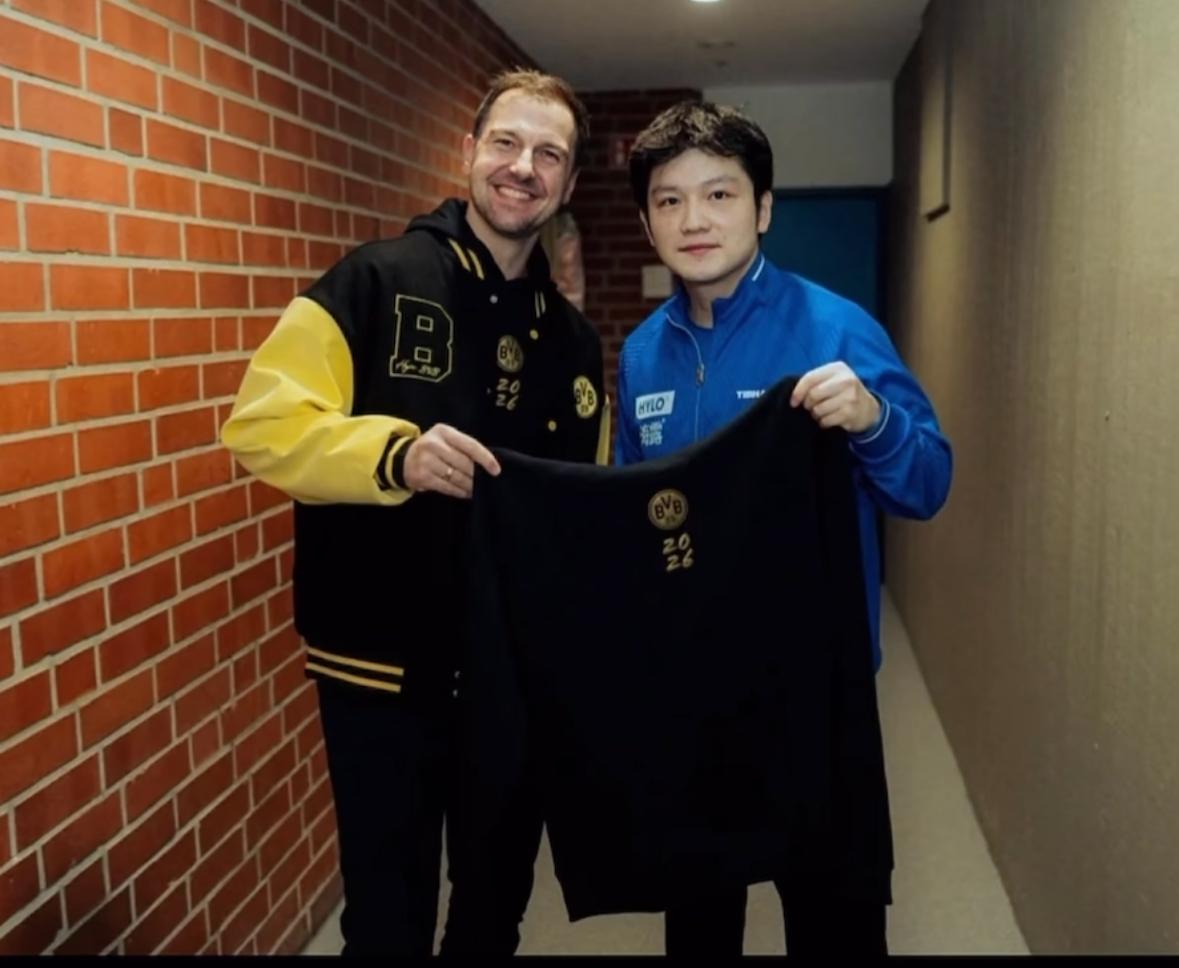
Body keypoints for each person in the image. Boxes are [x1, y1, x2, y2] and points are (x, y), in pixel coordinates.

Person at [220, 68, 608, 957]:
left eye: (548, 154)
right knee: (387, 923)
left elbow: (577, 511)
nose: (523, 167)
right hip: (379, 669)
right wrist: (394, 456)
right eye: (505, 143)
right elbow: (261, 425)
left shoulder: (575, 344)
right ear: (468, 152)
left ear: (568, 184)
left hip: (511, 680)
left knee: (492, 915)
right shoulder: (373, 281)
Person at [614, 100, 953, 956]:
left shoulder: (835, 329)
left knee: (834, 924)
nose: (693, 220)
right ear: (647, 222)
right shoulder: (641, 354)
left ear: (762, 209)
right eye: (668, 201)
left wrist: (873, 419)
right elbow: (634, 512)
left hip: (815, 691)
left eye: (718, 195)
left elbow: (926, 485)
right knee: (699, 925)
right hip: (693, 689)